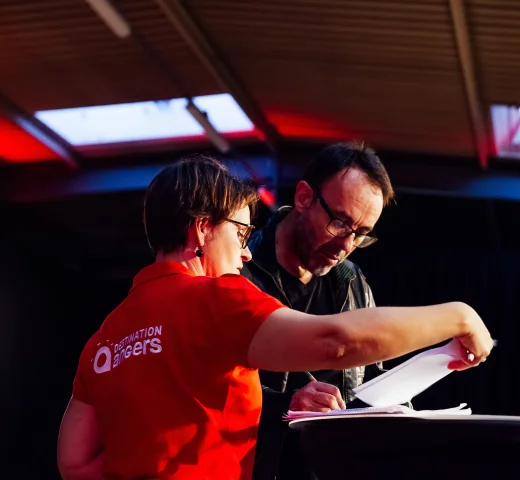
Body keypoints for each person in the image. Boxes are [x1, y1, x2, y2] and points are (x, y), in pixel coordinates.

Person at [57, 155, 493, 480]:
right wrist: (460, 315)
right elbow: (334, 343)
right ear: (203, 228)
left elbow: (74, 462)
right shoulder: (218, 297)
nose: (246, 251)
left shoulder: (105, 336)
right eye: (242, 233)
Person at [242, 142, 401, 480]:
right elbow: (209, 387)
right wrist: (286, 405)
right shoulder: (239, 271)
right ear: (303, 197)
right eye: (340, 223)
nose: (346, 246)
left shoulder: (351, 281)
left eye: (361, 234)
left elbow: (370, 378)